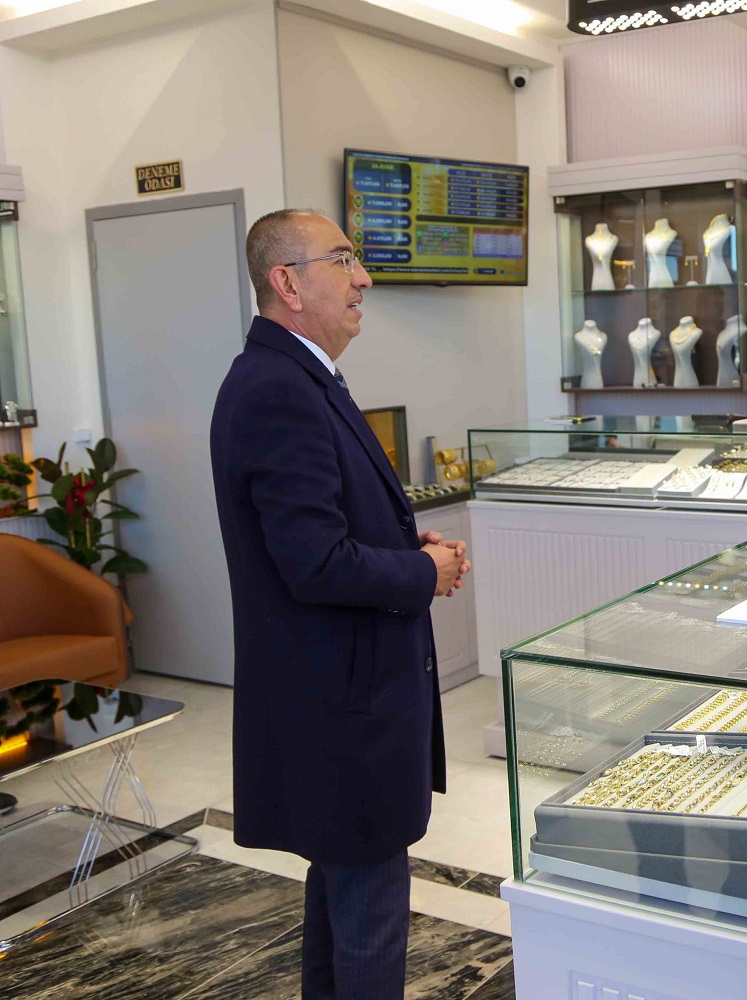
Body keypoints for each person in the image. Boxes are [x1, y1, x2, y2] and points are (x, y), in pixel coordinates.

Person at [210, 209, 470, 999]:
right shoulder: (278, 390)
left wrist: (403, 545)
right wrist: (422, 573)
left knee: (344, 901)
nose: (364, 280)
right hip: (341, 709)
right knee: (370, 920)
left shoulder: (298, 377)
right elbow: (315, 563)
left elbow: (320, 526)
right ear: (287, 283)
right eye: (344, 260)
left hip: (339, 699)